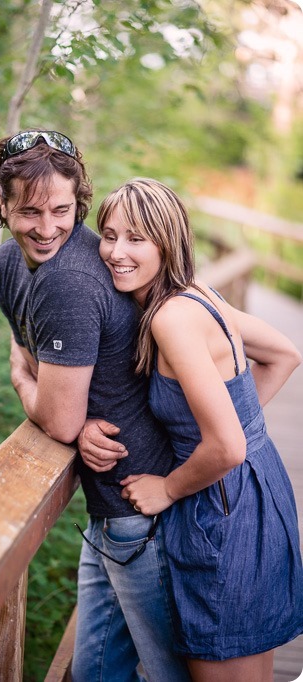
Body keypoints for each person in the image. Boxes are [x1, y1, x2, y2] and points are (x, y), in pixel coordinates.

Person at [0, 130, 191, 681]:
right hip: (110, 508)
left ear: (80, 200)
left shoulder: (70, 278)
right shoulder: (8, 264)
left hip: (141, 504)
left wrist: (24, 384)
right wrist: (50, 398)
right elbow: (34, 357)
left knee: (169, 671)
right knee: (97, 670)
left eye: (62, 210)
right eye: (28, 211)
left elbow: (54, 408)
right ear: (1, 203)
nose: (46, 229)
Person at [96, 176, 303, 682]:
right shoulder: (198, 293)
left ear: (167, 244)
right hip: (257, 491)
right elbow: (284, 354)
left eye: (136, 238)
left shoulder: (172, 319)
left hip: (220, 509)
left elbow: (227, 446)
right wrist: (241, 425)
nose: (116, 251)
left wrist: (168, 486)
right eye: (108, 234)